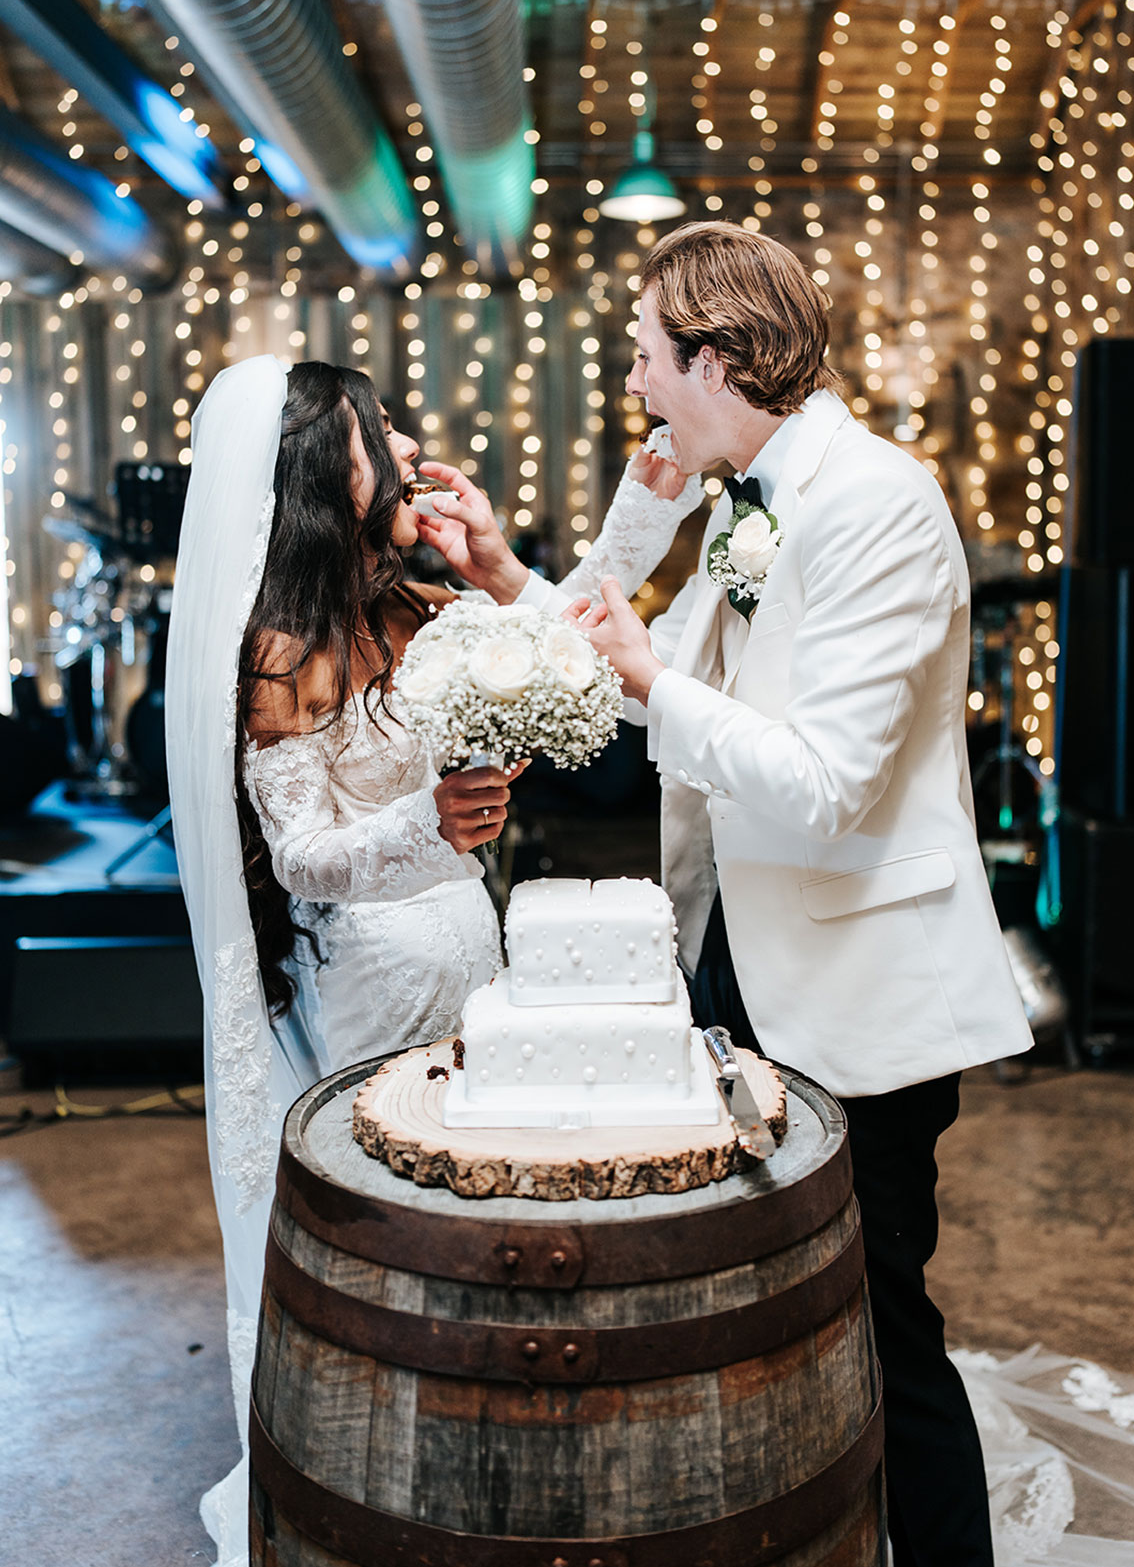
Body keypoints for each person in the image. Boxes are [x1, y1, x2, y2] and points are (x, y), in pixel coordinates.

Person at [435, 223, 1034, 1567]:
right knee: (783, 1329)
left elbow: (820, 780)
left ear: (712, 358)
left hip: (855, 996)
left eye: (648, 359)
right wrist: (505, 578)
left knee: (884, 1333)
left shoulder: (875, 501)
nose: (639, 387)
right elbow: (666, 666)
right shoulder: (757, 499)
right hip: (740, 969)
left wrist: (650, 681)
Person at [164, 354, 701, 1566]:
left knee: (485, 1210)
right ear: (326, 466)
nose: (408, 443)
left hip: (471, 944)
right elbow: (302, 853)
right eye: (381, 428)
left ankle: (492, 1445)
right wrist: (428, 825)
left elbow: (567, 643)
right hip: (372, 981)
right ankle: (405, 1462)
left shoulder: (410, 603)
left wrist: (596, 522)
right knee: (408, 1224)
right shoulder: (283, 646)